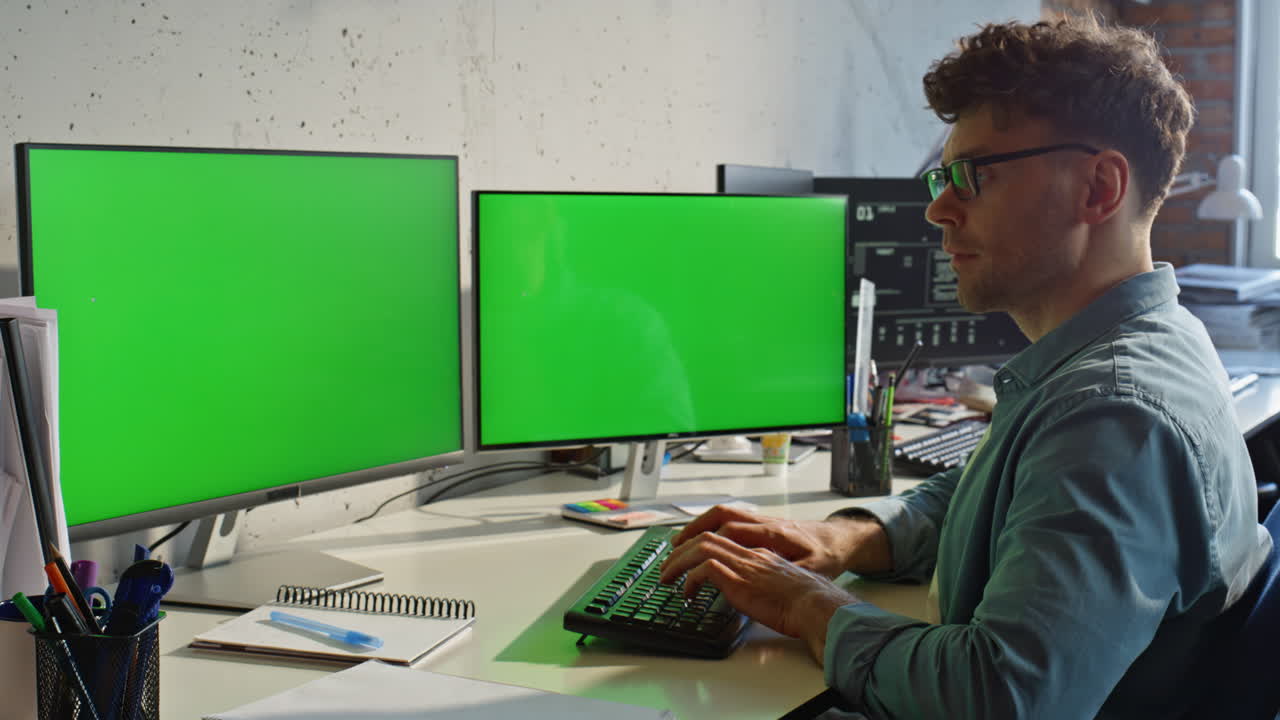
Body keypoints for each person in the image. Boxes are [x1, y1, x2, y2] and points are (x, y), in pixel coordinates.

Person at [660, 15, 1272, 719]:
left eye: (971, 176)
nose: (939, 210)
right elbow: (996, 492)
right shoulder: (1130, 345)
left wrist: (805, 605)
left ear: (1098, 189)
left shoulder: (1109, 413)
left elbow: (997, 698)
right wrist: (843, 538)